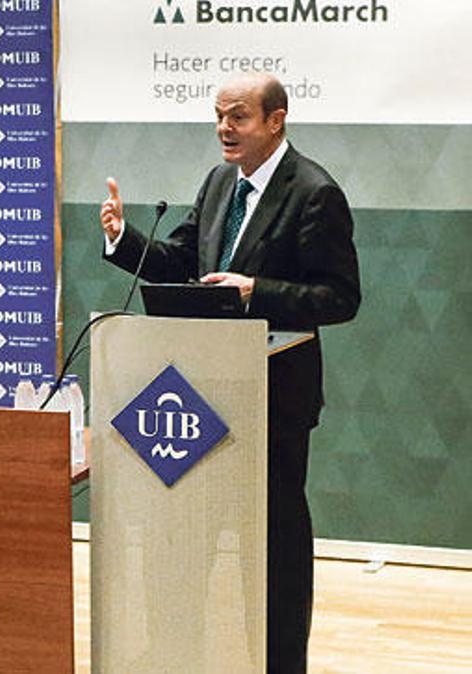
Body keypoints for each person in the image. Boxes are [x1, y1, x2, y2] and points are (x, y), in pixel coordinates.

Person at [100, 73, 360, 673]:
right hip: (201, 395)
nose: (224, 127)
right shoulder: (220, 182)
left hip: (274, 400)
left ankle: (278, 663)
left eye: (237, 116)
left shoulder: (314, 192)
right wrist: (123, 239)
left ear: (276, 120)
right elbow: (182, 262)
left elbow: (341, 297)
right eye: (219, 116)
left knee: (270, 551)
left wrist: (254, 291)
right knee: (190, 537)